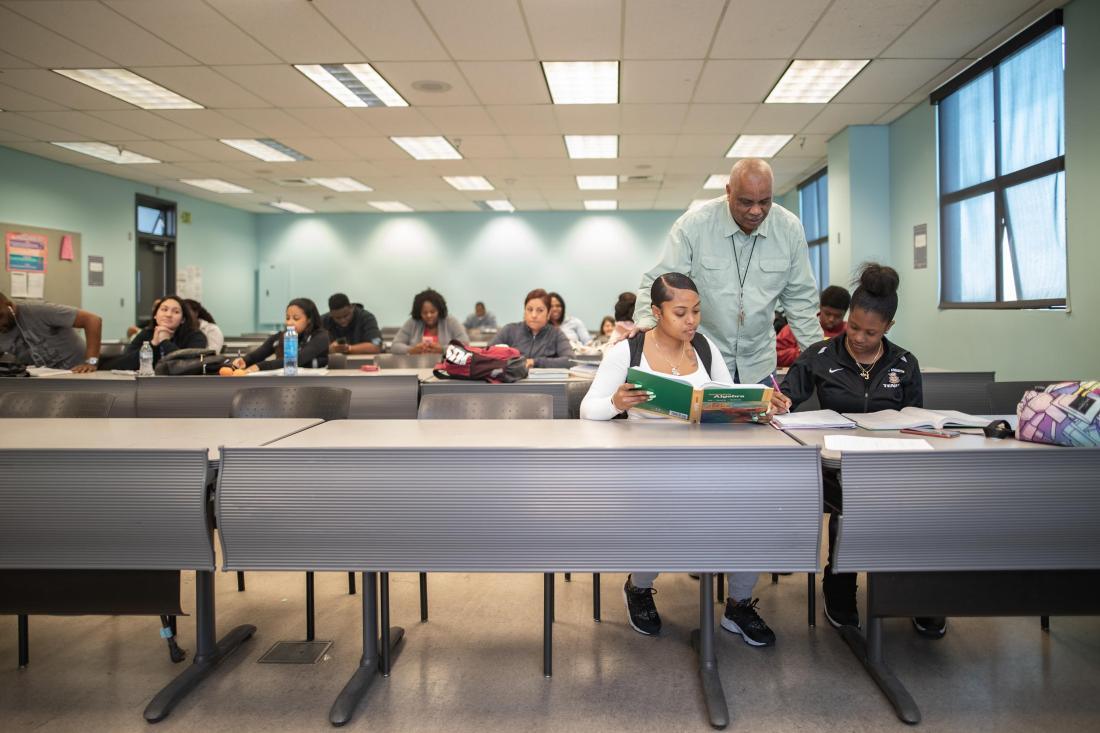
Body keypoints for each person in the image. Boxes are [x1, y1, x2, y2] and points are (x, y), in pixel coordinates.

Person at [580, 273, 776, 646]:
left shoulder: (704, 347)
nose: (691, 321)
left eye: (697, 312)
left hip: (707, 464)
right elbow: (588, 410)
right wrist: (615, 403)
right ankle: (639, 588)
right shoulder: (627, 351)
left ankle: (738, 604)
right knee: (659, 510)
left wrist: (758, 405)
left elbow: (728, 396)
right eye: (681, 312)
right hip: (647, 470)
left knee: (757, 508)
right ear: (656, 312)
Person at [778, 264, 944, 639]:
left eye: (870, 332)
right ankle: (839, 585)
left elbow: (914, 418)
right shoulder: (821, 354)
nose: (858, 337)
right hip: (837, 468)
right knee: (853, 502)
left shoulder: (904, 363)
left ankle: (917, 592)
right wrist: (777, 401)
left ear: (889, 326)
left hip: (894, 465)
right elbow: (787, 397)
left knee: (924, 506)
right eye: (853, 327)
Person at [634, 158, 822, 384]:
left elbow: (801, 301)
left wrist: (817, 357)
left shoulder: (789, 229)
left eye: (765, 202)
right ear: (728, 192)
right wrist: (646, 327)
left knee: (760, 420)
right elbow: (658, 284)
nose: (756, 211)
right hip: (700, 360)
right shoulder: (694, 225)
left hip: (759, 365)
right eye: (745, 202)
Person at [0, 292, 103, 373]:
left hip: (79, 373)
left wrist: (91, 362)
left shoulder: (37, 310)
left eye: (0, 316)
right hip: (44, 379)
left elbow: (93, 320)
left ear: (9, 305)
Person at [233, 297, 329, 372]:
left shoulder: (321, 336)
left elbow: (297, 360)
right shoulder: (281, 336)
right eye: (287, 318)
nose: (290, 322)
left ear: (309, 320)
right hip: (284, 382)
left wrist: (261, 366)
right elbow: (257, 355)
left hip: (314, 383)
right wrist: (244, 361)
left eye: (296, 318)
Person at [115, 295, 207, 370]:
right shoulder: (146, 333)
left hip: (184, 386)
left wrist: (165, 341)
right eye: (164, 309)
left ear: (182, 319)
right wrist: (153, 344)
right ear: (155, 315)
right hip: (148, 386)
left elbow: (190, 365)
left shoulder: (196, 336)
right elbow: (123, 364)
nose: (168, 315)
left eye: (176, 312)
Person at [489, 288, 573, 369]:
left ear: (548, 313)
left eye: (540, 310)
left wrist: (535, 362)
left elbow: (570, 360)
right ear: (524, 311)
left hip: (543, 382)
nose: (534, 315)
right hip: (512, 381)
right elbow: (486, 354)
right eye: (529, 309)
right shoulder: (509, 330)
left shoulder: (556, 334)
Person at [775, 285, 850, 367]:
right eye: (827, 314)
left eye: (837, 316)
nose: (831, 319)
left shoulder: (850, 333)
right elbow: (775, 355)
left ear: (845, 314)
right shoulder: (799, 327)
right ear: (820, 307)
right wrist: (803, 352)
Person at [390, 288, 467, 355]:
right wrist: (411, 350)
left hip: (445, 367)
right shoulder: (412, 323)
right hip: (416, 366)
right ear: (419, 312)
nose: (429, 315)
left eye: (433, 312)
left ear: (439, 311)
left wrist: (442, 349)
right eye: (424, 312)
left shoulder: (451, 322)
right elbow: (395, 346)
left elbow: (465, 344)